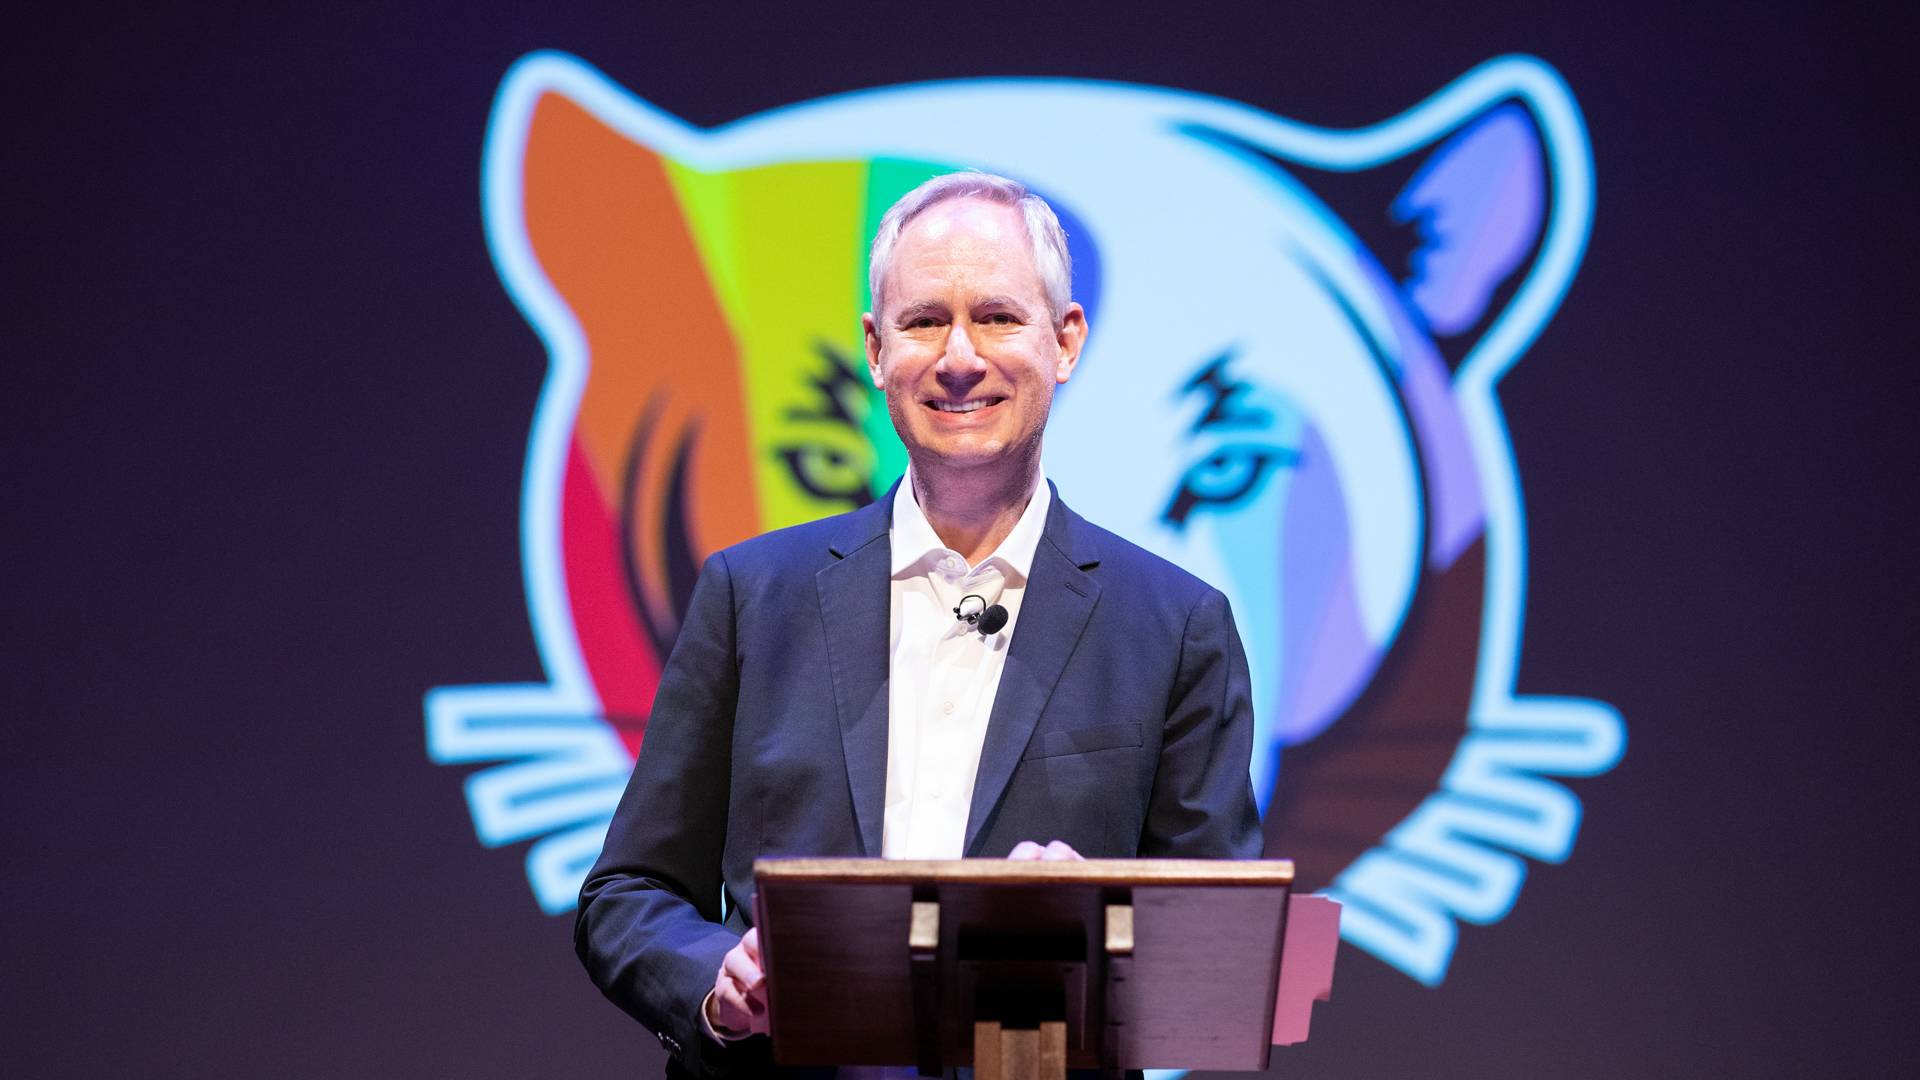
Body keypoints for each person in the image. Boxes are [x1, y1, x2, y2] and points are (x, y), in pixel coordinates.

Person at [575, 172, 1261, 1077]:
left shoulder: (1175, 628)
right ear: (874, 347)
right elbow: (630, 893)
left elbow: (1222, 965)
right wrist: (719, 984)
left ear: (1065, 341)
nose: (961, 357)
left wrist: (1095, 928)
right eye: (925, 320)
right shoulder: (752, 596)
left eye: (1000, 318)